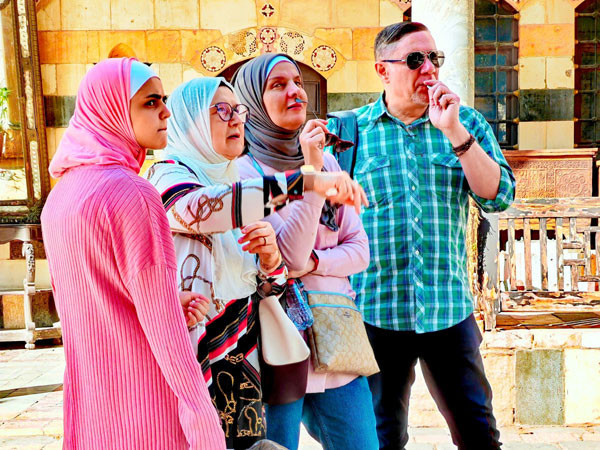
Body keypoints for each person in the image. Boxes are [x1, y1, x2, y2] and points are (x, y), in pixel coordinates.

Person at [145, 76, 367, 449]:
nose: (236, 119)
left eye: (238, 110)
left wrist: (269, 259)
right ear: (190, 121)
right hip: (190, 352)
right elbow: (197, 209)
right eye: (221, 110)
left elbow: (269, 288)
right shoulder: (167, 174)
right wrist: (304, 183)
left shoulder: (233, 180)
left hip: (241, 358)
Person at [328, 22, 516, 449]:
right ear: (383, 70)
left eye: (434, 58)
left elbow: (498, 196)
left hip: (447, 307)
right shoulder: (348, 134)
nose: (429, 68)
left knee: (479, 434)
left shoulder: (466, 123)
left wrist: (454, 132)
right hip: (374, 310)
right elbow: (322, 220)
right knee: (381, 439)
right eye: (415, 60)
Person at [41, 58, 226, 449]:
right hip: (148, 409)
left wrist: (167, 298)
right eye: (150, 102)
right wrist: (201, 418)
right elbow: (166, 332)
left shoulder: (60, 198)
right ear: (111, 110)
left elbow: (94, 301)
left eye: (163, 100)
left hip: (95, 411)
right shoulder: (134, 193)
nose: (165, 112)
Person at [234, 53, 379, 450]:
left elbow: (360, 251)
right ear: (253, 101)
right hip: (277, 347)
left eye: (297, 82)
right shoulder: (243, 172)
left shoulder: (327, 160)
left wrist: (316, 262)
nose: (294, 91)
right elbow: (288, 257)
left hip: (335, 337)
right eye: (277, 85)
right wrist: (311, 176)